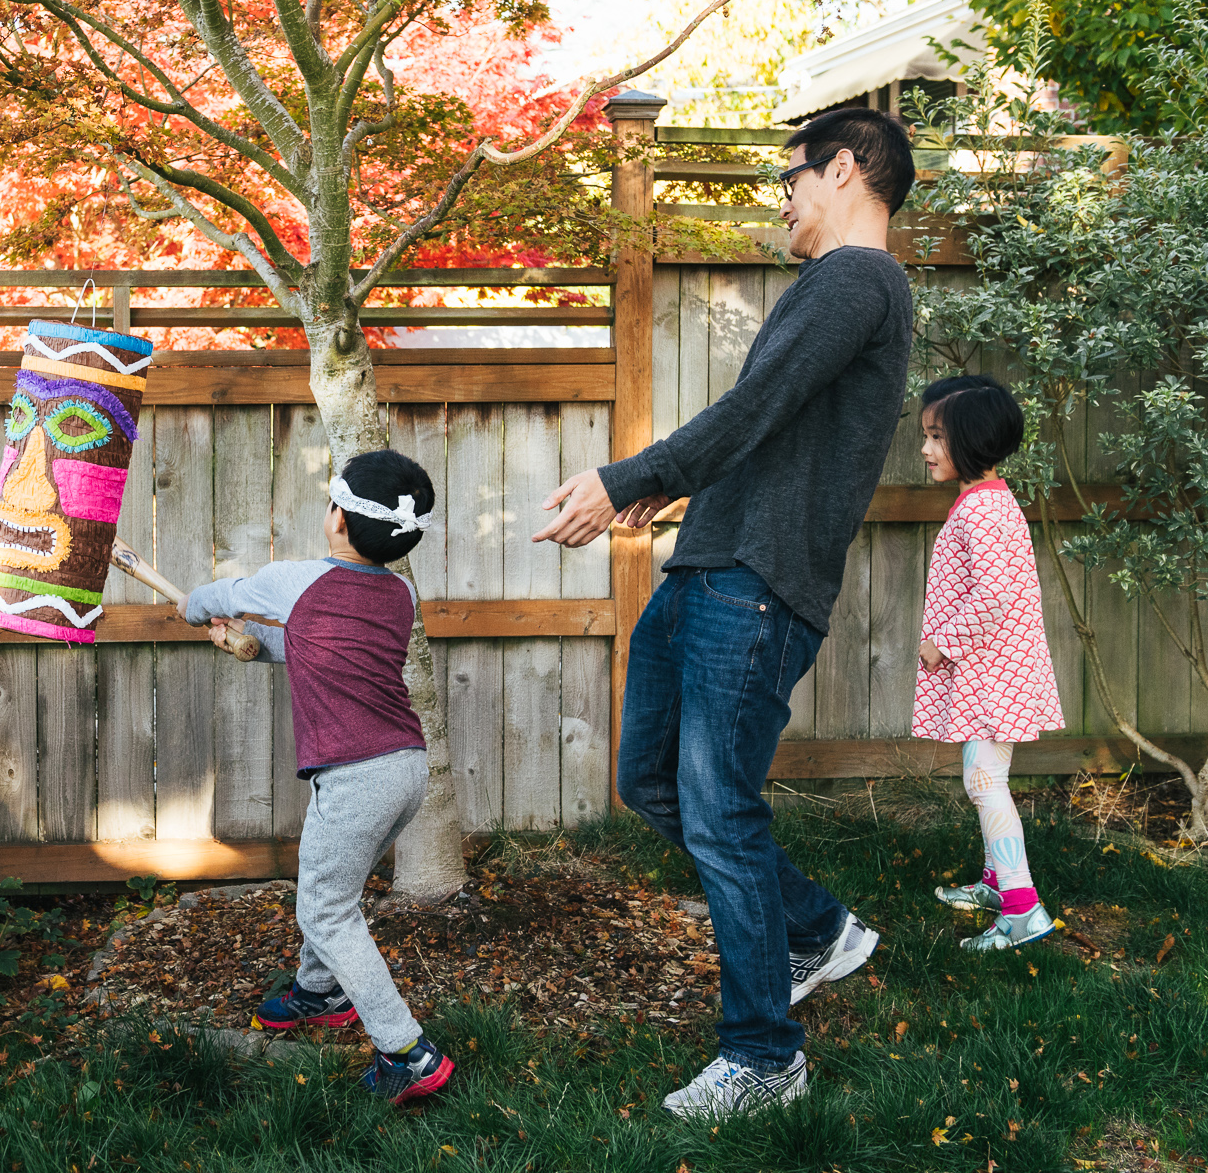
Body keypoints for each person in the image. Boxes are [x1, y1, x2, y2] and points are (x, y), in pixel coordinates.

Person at [533, 105, 919, 1118]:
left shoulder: (855, 279)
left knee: (716, 810)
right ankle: (812, 930)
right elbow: (775, 434)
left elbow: (753, 408)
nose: (780, 199)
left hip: (752, 587)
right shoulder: (835, 288)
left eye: (788, 178)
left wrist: (631, 476)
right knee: (650, 780)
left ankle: (762, 1059)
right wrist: (682, 491)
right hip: (712, 566)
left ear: (842, 167)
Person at [182, 449, 455, 1104]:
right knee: (325, 880)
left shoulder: (292, 579)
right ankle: (318, 991)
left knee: (325, 907)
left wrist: (196, 608)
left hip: (358, 771)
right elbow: (312, 645)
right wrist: (248, 640)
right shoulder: (399, 592)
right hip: (403, 765)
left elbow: (208, 600)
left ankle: (406, 1049)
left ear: (338, 517)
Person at [913, 375, 1064, 950]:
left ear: (972, 440)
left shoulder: (984, 512)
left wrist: (942, 643)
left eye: (936, 437)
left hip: (991, 674)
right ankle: (998, 882)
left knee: (982, 778)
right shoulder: (981, 504)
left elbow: (994, 596)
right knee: (986, 776)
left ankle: (1023, 910)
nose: (925, 449)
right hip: (991, 673)